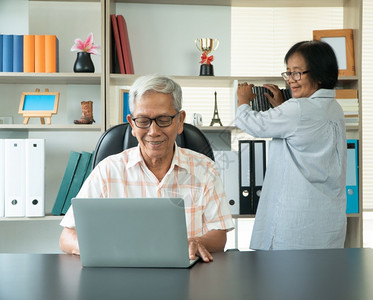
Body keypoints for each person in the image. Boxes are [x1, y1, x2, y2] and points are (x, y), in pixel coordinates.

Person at [59, 75, 234, 262]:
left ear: (180, 120)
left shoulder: (205, 169)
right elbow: (67, 237)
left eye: (164, 119)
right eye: (143, 120)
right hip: (122, 276)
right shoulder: (107, 170)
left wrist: (197, 242)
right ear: (132, 124)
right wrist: (106, 248)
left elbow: (219, 234)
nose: (153, 131)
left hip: (189, 277)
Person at [235, 40, 347, 250]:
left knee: (285, 280)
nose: (291, 81)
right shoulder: (334, 108)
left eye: (297, 73)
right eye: (288, 73)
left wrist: (243, 101)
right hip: (326, 224)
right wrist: (282, 107)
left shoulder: (297, 109)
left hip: (293, 226)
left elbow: (253, 124)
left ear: (320, 74)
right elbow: (303, 132)